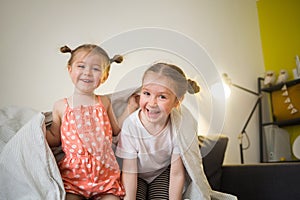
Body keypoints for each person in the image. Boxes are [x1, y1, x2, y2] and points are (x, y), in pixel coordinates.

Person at [46, 44, 137, 200]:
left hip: (105, 178)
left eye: (95, 69)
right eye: (81, 66)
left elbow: (115, 130)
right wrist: (38, 131)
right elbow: (55, 136)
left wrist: (130, 108)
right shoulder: (61, 106)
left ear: (105, 76)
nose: (87, 73)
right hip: (73, 179)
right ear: (70, 70)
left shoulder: (104, 102)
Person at [115, 62, 202, 200]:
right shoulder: (131, 126)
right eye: (147, 93)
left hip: (162, 174)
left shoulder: (178, 127)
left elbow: (177, 173)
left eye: (162, 96)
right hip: (137, 174)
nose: (152, 103)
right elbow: (129, 172)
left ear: (177, 101)